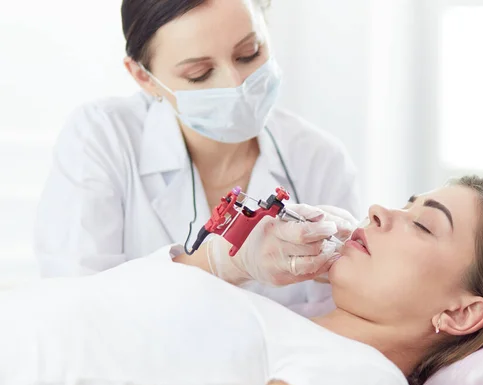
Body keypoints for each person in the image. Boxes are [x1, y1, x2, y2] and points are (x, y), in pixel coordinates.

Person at [3, 175, 483, 385]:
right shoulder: (278, 320)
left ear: (461, 312)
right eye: (405, 202)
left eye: (423, 224)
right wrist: (230, 259)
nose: (378, 212)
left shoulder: (367, 384)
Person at [33, 0, 360, 310]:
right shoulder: (102, 137)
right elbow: (76, 310)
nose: (236, 85)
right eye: (199, 73)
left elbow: (344, 315)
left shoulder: (320, 160)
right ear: (144, 77)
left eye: (249, 53)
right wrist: (219, 264)